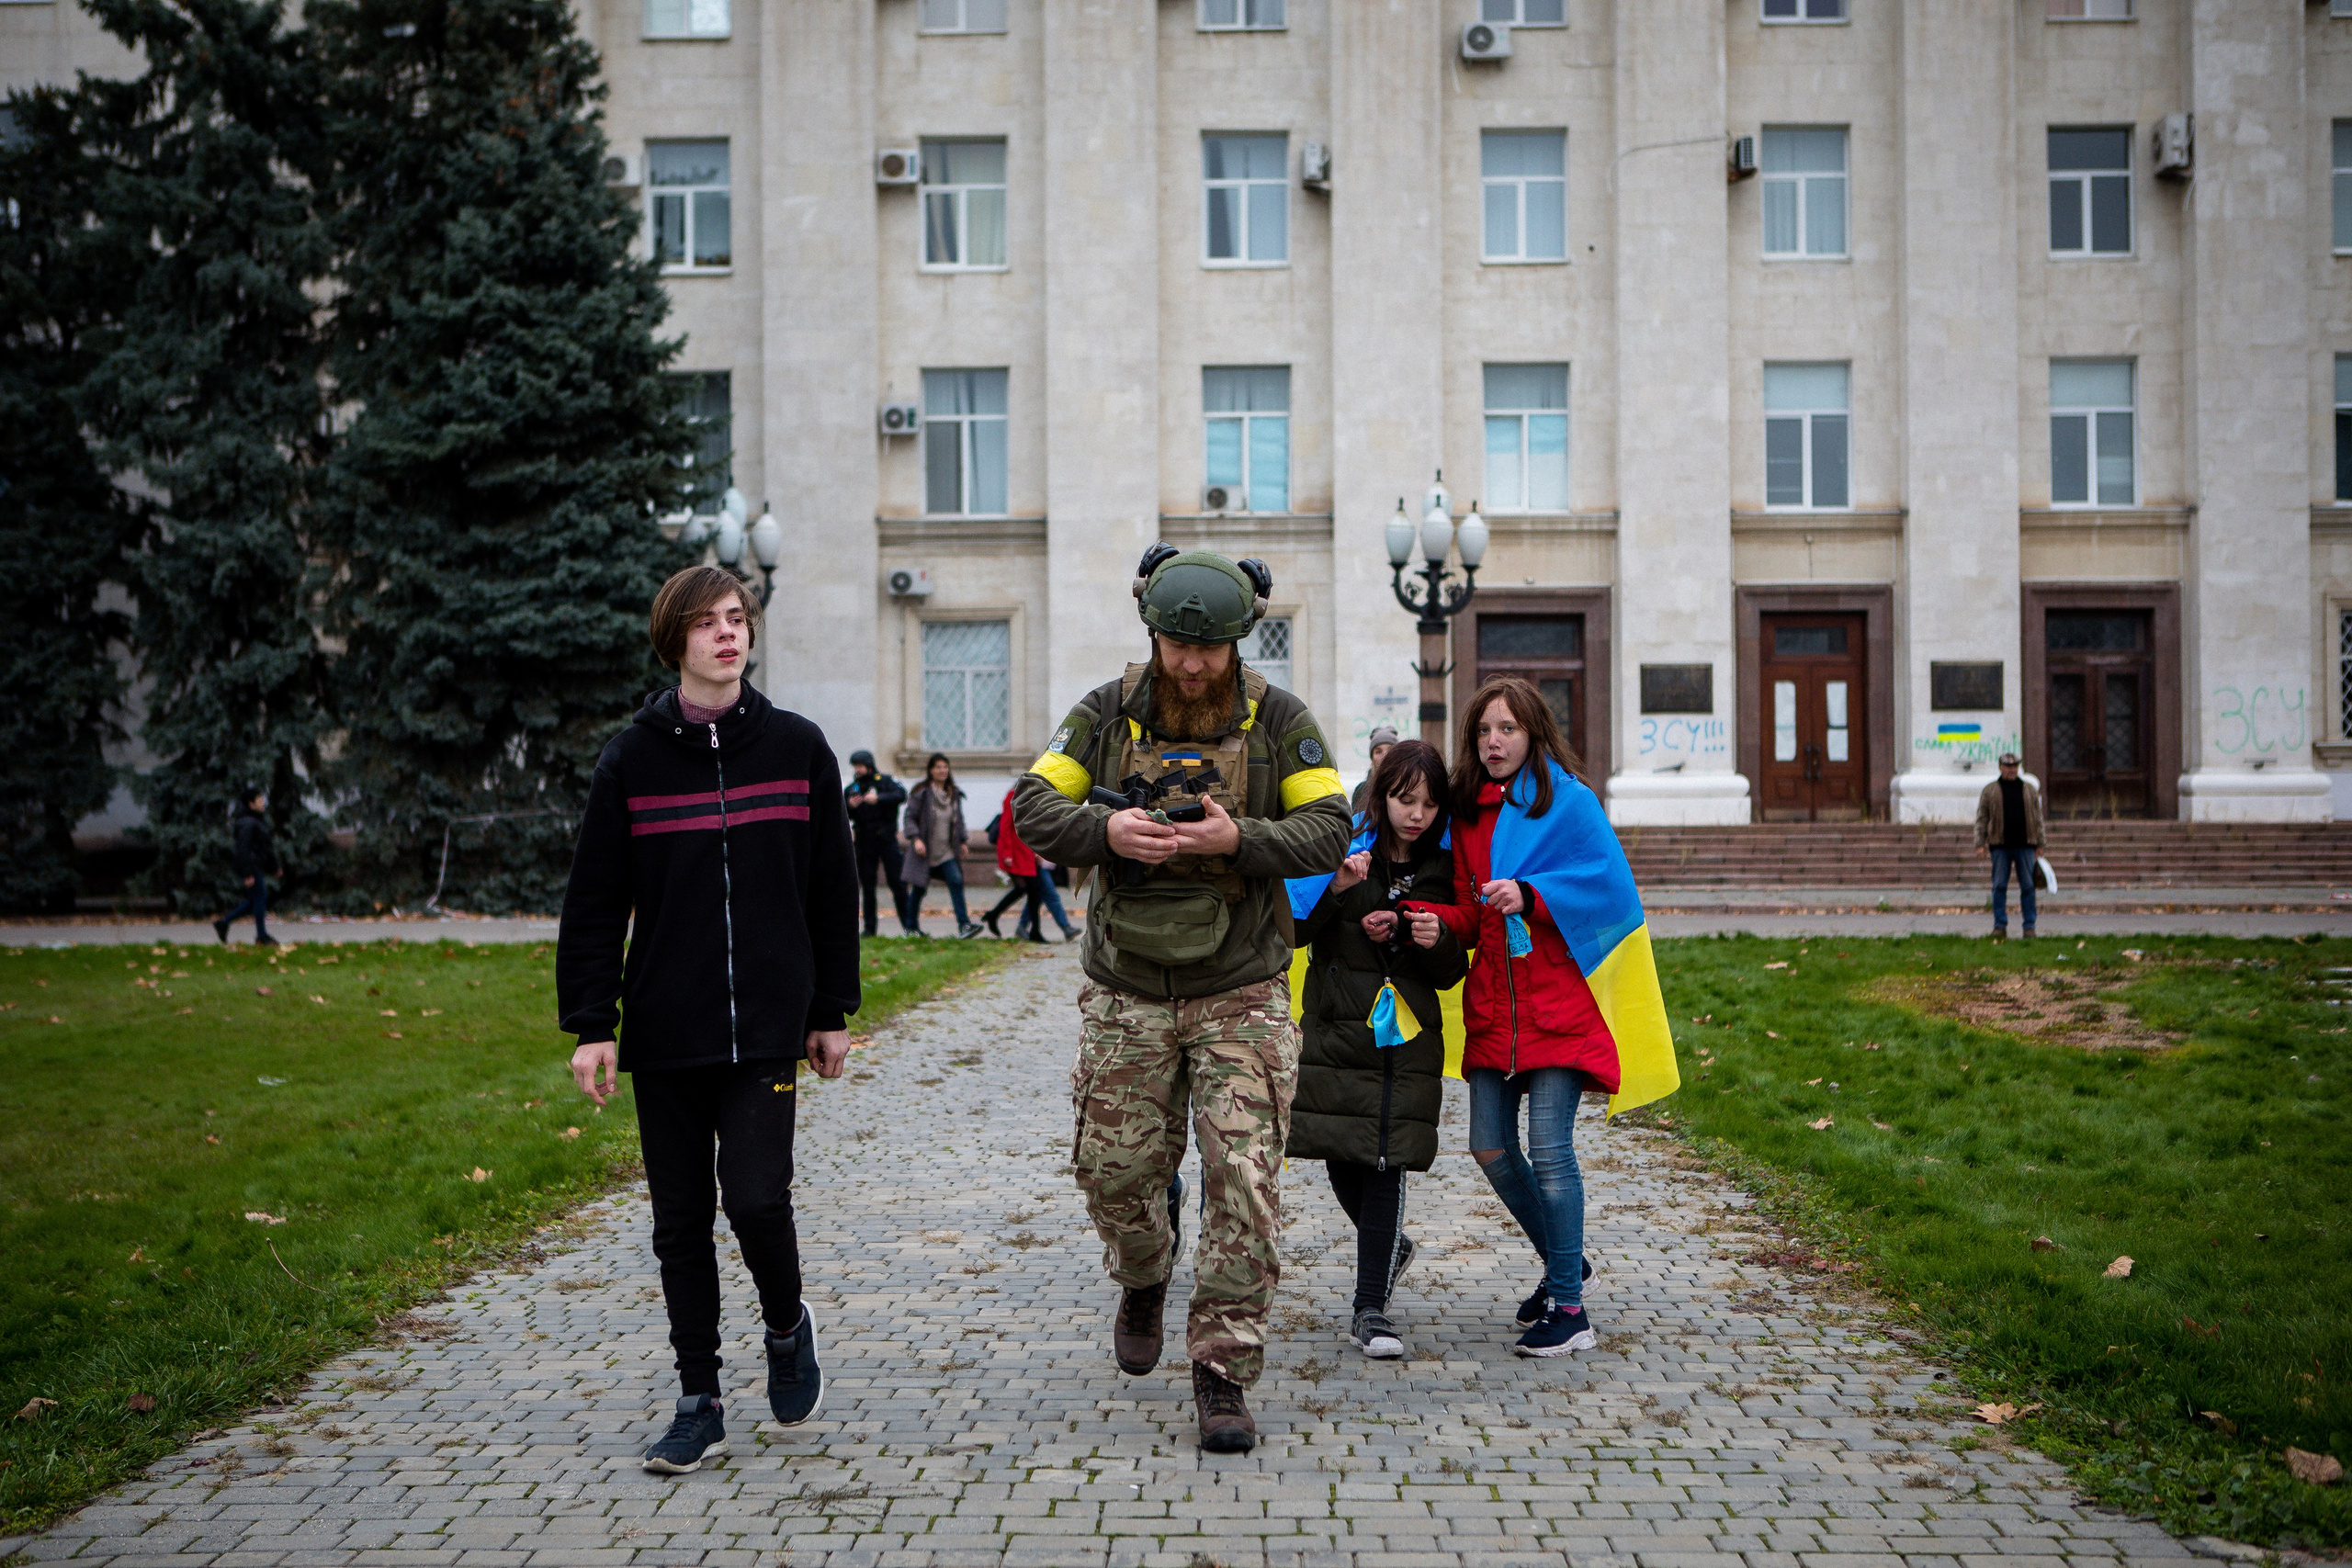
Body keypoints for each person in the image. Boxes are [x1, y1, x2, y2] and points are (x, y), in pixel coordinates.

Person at [1013, 545, 1351, 1453]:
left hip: (1240, 987)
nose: (1192, 664)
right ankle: (1145, 1271)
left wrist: (1238, 839)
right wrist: (1106, 828)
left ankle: (1221, 1369)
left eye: (1210, 649)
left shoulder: (1278, 719)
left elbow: (1330, 828)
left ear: (1241, 641)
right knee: (1117, 1177)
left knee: (1244, 1181)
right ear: (1152, 633)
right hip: (1126, 989)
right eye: (1175, 646)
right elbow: (1030, 808)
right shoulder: (1104, 714)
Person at [555, 565, 862, 1474]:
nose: (727, 634)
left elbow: (830, 888)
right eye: (706, 623)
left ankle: (783, 1322)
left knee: (757, 1198)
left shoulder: (798, 749)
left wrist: (829, 1009)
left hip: (767, 1023)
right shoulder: (631, 759)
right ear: (674, 641)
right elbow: (595, 900)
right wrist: (591, 1022)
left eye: (737, 619)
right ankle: (699, 1400)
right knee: (680, 1220)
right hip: (667, 1025)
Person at [1433, 676, 1679, 1359]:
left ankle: (1569, 1308)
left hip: (1556, 1003)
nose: (1494, 741)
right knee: (1487, 1145)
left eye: (1507, 728)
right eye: (1483, 730)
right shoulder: (1466, 812)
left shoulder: (1569, 801)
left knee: (1550, 1150)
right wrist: (1434, 922)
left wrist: (1532, 894)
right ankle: (1567, 1264)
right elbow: (1462, 901)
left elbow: (1605, 883)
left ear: (1534, 732)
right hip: (1493, 1004)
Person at [1286, 739, 1464, 1360]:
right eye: (1404, 798)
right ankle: (1388, 1246)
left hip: (1403, 1044)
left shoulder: (1445, 869)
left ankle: (1371, 1310)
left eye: (1429, 803)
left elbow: (1449, 971)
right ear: (1381, 794)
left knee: (1385, 1162)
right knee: (1342, 1154)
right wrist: (1338, 893)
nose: (1416, 813)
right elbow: (1297, 928)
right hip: (1340, 1032)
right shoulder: (1346, 847)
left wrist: (1432, 935)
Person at [900, 752, 980, 939]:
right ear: (930, 770)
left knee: (956, 881)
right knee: (919, 889)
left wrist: (963, 841)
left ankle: (964, 926)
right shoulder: (922, 793)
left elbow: (958, 821)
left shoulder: (953, 794)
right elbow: (909, 818)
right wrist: (915, 839)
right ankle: (911, 928)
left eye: (945, 767)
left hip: (946, 852)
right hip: (925, 852)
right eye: (938, 767)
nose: (942, 770)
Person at [1974, 751, 2045, 940]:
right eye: (2008, 766)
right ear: (2000, 767)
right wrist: (1980, 843)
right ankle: (2000, 926)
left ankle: (2029, 927)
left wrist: (2040, 842)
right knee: (1999, 886)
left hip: (2026, 845)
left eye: (2015, 766)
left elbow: (2038, 818)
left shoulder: (2029, 789)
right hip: (2000, 846)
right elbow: (1982, 818)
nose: (2012, 770)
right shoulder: (1990, 790)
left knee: (2028, 887)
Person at [844, 750, 909, 938]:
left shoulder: (885, 781)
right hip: (864, 841)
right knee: (868, 885)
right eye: (855, 766)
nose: (858, 770)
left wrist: (879, 798)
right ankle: (869, 929)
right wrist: (850, 806)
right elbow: (841, 811)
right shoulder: (852, 788)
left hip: (886, 838)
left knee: (897, 882)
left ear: (869, 765)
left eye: (860, 766)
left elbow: (901, 795)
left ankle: (908, 925)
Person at [213, 787, 280, 946]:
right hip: (251, 866)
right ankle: (262, 936)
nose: (263, 802)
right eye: (259, 799)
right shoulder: (248, 823)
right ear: (251, 803)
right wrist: (247, 873)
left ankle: (224, 923)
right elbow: (242, 849)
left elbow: (264, 846)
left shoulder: (255, 820)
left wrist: (275, 865)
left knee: (255, 901)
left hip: (255, 865)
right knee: (259, 899)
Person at [984, 783, 1049, 942]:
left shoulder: (1034, 798)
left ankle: (1033, 930)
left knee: (1034, 891)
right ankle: (994, 916)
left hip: (1027, 851)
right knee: (1023, 889)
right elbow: (1005, 825)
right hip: (1014, 851)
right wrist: (1007, 853)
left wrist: (1038, 850)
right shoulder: (1012, 797)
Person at [1348, 725, 1401, 818]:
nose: (1384, 755)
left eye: (1390, 750)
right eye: (1378, 751)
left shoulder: (1405, 787)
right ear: (1372, 758)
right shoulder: (1361, 791)